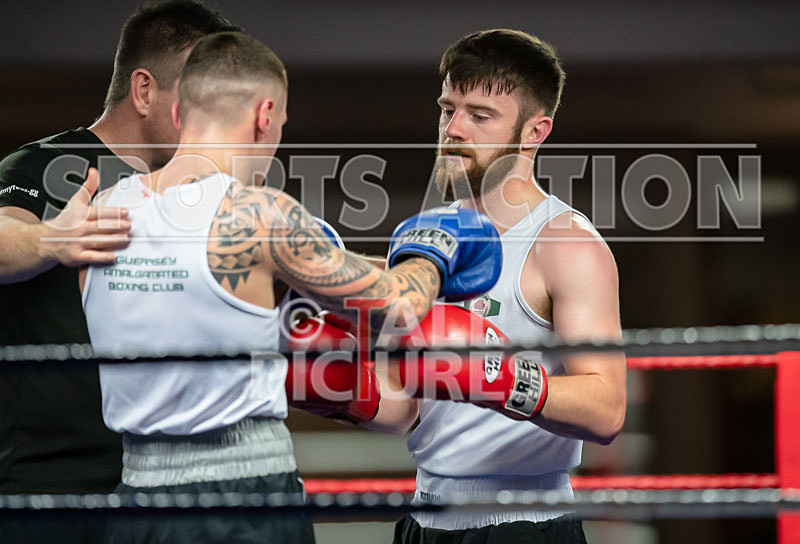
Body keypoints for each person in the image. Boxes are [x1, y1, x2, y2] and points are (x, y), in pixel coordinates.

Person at [79, 31, 502, 544]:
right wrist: (432, 252)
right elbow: (397, 308)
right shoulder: (260, 216)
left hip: (135, 503)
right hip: (244, 500)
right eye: (280, 125)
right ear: (264, 114)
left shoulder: (100, 212)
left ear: (177, 114)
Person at [361, 29, 627, 543]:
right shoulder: (427, 233)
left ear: (535, 131)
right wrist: (343, 393)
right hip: (424, 517)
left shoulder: (566, 244)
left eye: (480, 116)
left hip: (524, 524)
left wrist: (495, 378)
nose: (454, 129)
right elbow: (405, 408)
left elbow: (607, 409)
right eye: (447, 109)